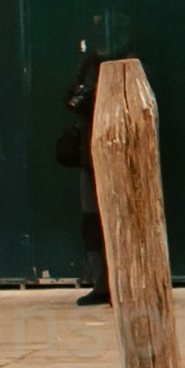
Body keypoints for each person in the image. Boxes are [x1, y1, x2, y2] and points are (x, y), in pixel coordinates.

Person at [56, 40, 112, 305]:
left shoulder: (133, 62)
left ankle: (125, 282)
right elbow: (73, 99)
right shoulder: (89, 64)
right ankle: (101, 284)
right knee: (91, 221)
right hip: (89, 154)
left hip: (119, 153)